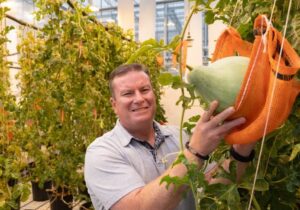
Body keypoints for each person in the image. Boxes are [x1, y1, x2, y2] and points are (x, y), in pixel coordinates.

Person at [84, 63, 256, 210]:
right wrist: (194, 153)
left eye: (145, 90)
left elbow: (214, 187)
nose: (139, 98)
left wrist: (242, 148)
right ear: (114, 105)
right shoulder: (101, 152)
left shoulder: (180, 135)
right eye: (128, 93)